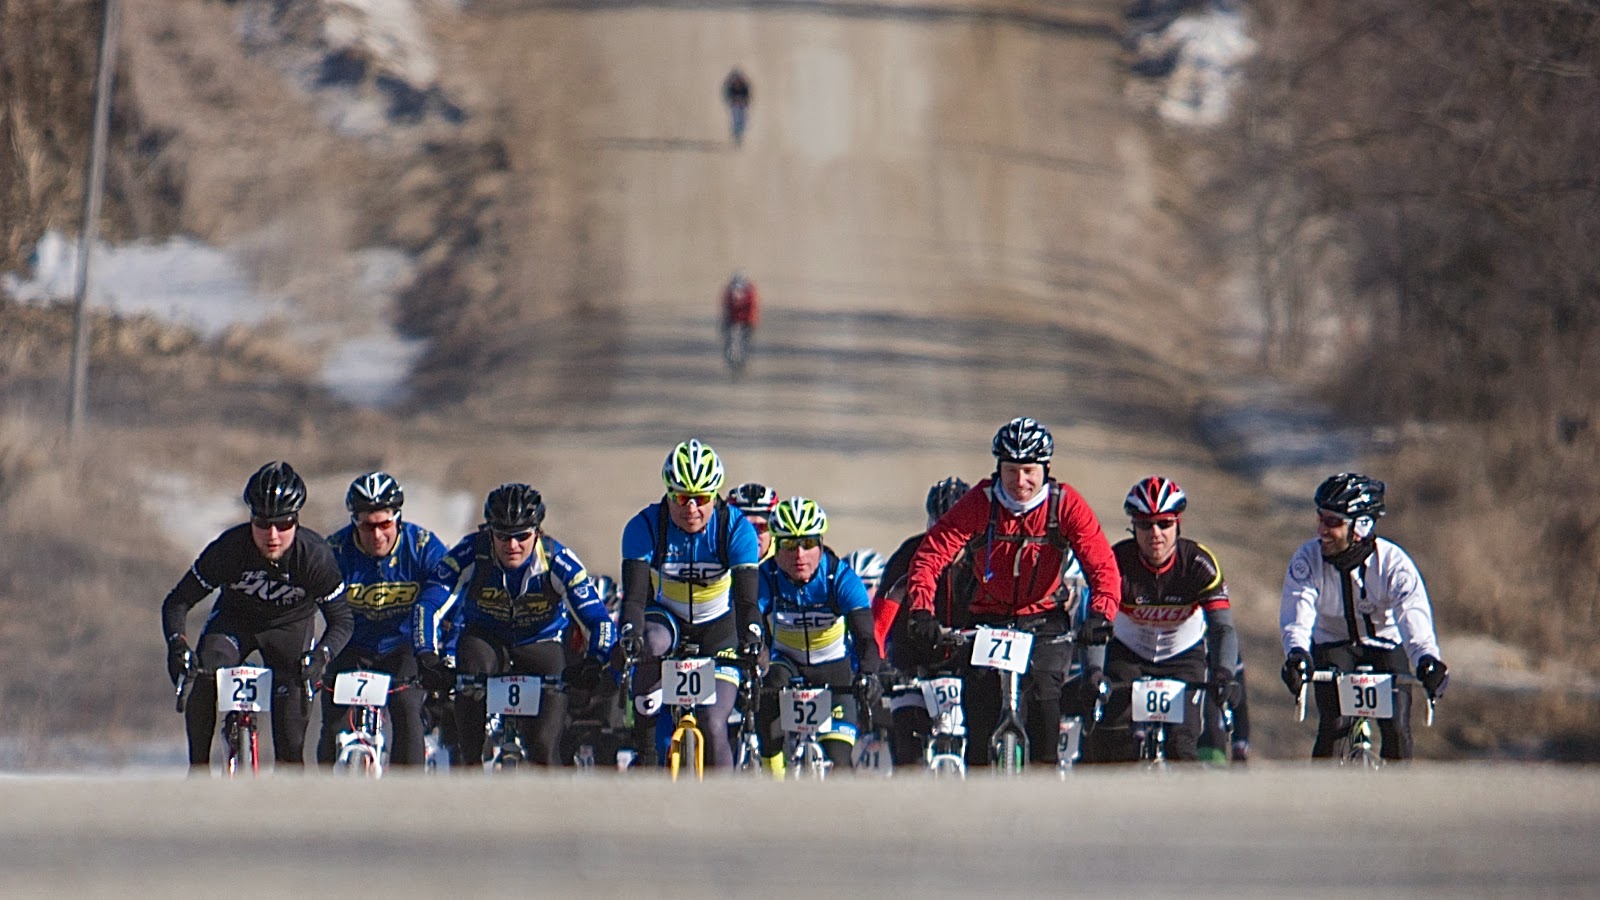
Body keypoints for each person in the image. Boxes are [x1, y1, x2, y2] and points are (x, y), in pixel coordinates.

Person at [904, 418, 1121, 766]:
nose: (1020, 481)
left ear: (1045, 469)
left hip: (1044, 617)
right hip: (987, 616)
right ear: (998, 470)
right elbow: (930, 556)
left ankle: (1044, 781)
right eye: (1011, 471)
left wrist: (1101, 614)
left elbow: (1102, 565)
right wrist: (921, 610)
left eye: (1029, 471)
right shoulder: (980, 502)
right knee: (979, 714)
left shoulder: (1065, 504)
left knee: (1045, 704)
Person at [161, 461, 352, 771]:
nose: (272, 535)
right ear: (250, 519)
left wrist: (321, 656)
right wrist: (177, 644)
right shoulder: (229, 549)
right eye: (262, 523)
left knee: (291, 750)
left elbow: (342, 620)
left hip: (290, 628)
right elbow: (177, 602)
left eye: (283, 524)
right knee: (203, 673)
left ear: (296, 520)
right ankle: (198, 772)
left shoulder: (314, 556)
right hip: (235, 621)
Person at [412, 483, 615, 768]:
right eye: (503, 536)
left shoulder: (559, 560)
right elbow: (428, 606)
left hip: (539, 642)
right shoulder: (471, 552)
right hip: (485, 640)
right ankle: (470, 766)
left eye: (522, 536)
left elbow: (598, 620)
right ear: (489, 532)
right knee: (470, 675)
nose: (512, 545)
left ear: (537, 532)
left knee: (544, 749)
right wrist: (427, 657)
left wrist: (595, 661)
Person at [1280, 473, 1449, 760]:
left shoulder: (1394, 564)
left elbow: (1413, 616)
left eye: (1332, 522)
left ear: (1361, 526)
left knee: (1397, 730)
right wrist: (1297, 653)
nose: (1321, 529)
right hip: (1333, 644)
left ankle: (1398, 789)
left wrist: (1427, 659)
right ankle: (1323, 788)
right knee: (1334, 727)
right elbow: (1298, 612)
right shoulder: (1307, 559)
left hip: (1385, 643)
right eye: (1320, 518)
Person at [618, 439, 764, 769]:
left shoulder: (735, 528)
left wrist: (752, 638)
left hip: (719, 627)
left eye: (702, 498)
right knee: (649, 643)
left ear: (716, 496)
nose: (692, 508)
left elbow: (746, 601)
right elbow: (635, 599)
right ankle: (646, 752)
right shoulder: (646, 526)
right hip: (667, 619)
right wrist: (629, 634)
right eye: (682, 498)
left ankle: (723, 797)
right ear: (669, 494)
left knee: (713, 724)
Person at [1080, 476, 1238, 763]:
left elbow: (1222, 628)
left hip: (1182, 656)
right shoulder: (1116, 563)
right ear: (1133, 527)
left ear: (1178, 524)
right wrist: (1093, 671)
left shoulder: (1200, 564)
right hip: (1129, 654)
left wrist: (1224, 673)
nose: (1155, 533)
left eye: (1164, 524)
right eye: (1145, 524)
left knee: (1182, 746)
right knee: (1112, 740)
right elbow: (1097, 624)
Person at [316, 471, 448, 768]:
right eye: (367, 526)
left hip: (403, 646)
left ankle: (407, 787)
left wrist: (443, 653)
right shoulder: (334, 551)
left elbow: (451, 602)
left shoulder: (423, 546)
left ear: (397, 518)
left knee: (406, 708)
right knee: (333, 723)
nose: (377, 535)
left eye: (385, 525)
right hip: (352, 645)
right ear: (354, 522)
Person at [755, 498, 882, 770]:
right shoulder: (766, 577)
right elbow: (749, 622)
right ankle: (772, 778)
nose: (799, 555)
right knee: (767, 696)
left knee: (839, 763)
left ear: (821, 545)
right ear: (776, 547)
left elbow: (865, 638)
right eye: (789, 545)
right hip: (786, 665)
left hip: (834, 670)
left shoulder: (841, 578)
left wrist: (869, 674)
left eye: (808, 543)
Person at [872, 475, 977, 766]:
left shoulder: (983, 555)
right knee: (908, 755)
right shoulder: (909, 554)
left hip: (968, 664)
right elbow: (883, 613)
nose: (946, 538)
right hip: (915, 663)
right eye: (938, 526)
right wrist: (879, 661)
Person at [727, 482, 779, 563]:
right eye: (745, 527)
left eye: (761, 527)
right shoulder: (715, 562)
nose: (753, 533)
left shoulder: (786, 565)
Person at [722, 67, 751, 144]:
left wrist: (744, 101)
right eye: (736, 79)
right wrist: (733, 101)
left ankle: (740, 135)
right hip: (734, 106)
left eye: (738, 78)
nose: (737, 80)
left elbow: (747, 95)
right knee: (736, 120)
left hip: (742, 106)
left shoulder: (744, 86)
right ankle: (736, 135)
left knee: (743, 121)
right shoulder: (730, 87)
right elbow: (727, 96)